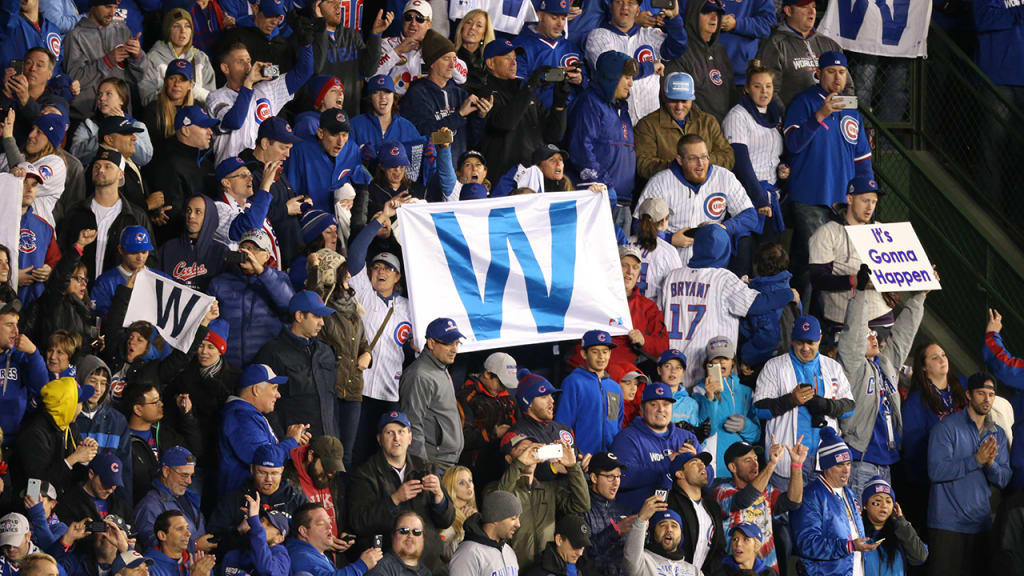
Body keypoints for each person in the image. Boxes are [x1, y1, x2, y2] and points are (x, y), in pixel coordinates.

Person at [783, 51, 872, 304]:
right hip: (810, 198)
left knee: (811, 263)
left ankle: (809, 322)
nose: (837, 77)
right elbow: (793, 144)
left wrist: (866, 197)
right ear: (819, 74)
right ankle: (806, 325)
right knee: (817, 265)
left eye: (841, 72)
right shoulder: (804, 102)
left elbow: (862, 158)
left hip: (841, 201)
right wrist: (818, 116)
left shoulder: (851, 108)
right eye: (831, 72)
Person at [660, 225, 791, 389]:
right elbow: (759, 304)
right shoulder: (724, 279)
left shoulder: (673, 276)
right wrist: (789, 294)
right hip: (710, 369)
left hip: (673, 367)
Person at [838, 282, 927, 499]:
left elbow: (902, 338)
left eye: (875, 335)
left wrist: (919, 297)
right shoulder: (853, 368)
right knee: (859, 527)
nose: (874, 338)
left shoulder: (885, 365)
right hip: (861, 460)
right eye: (868, 336)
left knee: (877, 528)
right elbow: (853, 334)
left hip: (887, 462)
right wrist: (861, 293)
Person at [347, 411, 455, 575]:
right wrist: (394, 499)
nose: (396, 438)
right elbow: (359, 522)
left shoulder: (426, 467)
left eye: (401, 432)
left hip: (429, 563)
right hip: (391, 567)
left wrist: (439, 496)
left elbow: (446, 521)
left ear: (410, 437)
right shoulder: (365, 474)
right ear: (379, 439)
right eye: (389, 432)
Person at [345, 200, 411, 468]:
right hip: (359, 389)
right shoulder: (364, 294)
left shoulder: (408, 307)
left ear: (398, 277)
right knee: (354, 454)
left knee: (383, 458)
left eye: (389, 268)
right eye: (377, 267)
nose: (381, 271)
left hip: (389, 392)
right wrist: (382, 217)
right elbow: (356, 254)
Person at [753, 314, 854, 488]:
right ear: (792, 340)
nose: (805, 348)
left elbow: (850, 408)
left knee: (822, 513)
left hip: (824, 460)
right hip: (786, 458)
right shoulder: (774, 366)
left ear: (820, 339)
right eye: (800, 342)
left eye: (811, 342)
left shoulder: (832, 367)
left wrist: (827, 405)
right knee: (786, 512)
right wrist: (790, 400)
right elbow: (758, 409)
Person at [926, 373, 1010, 576]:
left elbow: (1004, 479)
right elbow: (936, 471)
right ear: (968, 395)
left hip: (981, 525)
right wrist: (976, 460)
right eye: (981, 393)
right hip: (948, 526)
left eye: (991, 394)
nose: (987, 399)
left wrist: (991, 465)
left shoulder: (997, 433)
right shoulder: (946, 428)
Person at [634, 134, 756, 268]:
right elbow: (638, 225)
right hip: (671, 263)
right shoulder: (660, 182)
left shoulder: (724, 177)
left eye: (704, 156)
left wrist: (724, 228)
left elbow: (750, 216)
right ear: (680, 160)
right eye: (693, 158)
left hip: (711, 266)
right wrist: (668, 238)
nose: (701, 163)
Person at [809, 177, 892, 342]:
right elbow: (818, 279)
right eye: (865, 201)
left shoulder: (881, 229)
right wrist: (854, 280)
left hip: (881, 317)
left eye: (874, 202)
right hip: (843, 320)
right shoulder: (827, 233)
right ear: (849, 199)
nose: (870, 207)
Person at [207, 38, 313, 163]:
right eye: (240, 62)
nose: (248, 67)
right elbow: (234, 122)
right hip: (232, 175)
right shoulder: (216, 97)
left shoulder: (266, 89)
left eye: (249, 61)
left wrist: (306, 44)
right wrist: (248, 83)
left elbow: (304, 72)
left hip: (262, 171)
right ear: (225, 68)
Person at [476, 38, 568, 180]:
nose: (514, 63)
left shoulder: (524, 90)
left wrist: (559, 105)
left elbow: (554, 135)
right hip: (503, 178)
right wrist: (530, 87)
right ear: (491, 63)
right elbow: (504, 124)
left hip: (533, 175)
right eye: (507, 58)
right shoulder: (484, 92)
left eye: (515, 58)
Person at [792, 427, 879, 576]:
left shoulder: (849, 494)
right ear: (826, 466)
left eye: (848, 464)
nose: (846, 470)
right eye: (839, 465)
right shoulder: (811, 496)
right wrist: (848, 546)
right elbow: (806, 544)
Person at [584, 0, 685, 124]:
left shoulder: (650, 34)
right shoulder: (598, 36)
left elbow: (677, 48)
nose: (625, 7)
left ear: (638, 10)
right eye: (619, 2)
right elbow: (612, 69)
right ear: (610, 7)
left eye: (631, 3)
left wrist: (674, 19)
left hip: (651, 123)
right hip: (613, 123)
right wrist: (650, 67)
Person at [400, 29, 490, 168]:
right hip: (429, 173)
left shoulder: (460, 94)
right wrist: (459, 114)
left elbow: (473, 140)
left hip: (458, 174)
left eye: (454, 59)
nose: (452, 65)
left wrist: (480, 116)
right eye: (446, 58)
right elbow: (427, 135)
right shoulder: (417, 93)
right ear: (432, 62)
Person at [712, 440, 806, 573]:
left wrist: (796, 465)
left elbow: (794, 502)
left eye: (756, 458)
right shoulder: (722, 491)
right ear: (733, 467)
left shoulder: (766, 490)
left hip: (768, 569)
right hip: (736, 570)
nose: (755, 464)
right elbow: (745, 500)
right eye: (747, 460)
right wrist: (772, 464)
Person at [256, 290, 339, 439]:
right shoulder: (272, 352)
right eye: (317, 316)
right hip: (293, 449)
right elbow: (263, 404)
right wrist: (285, 438)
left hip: (328, 444)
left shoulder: (326, 351)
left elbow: (332, 401)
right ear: (299, 316)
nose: (322, 322)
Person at [498, 436, 589, 570]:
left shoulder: (549, 489)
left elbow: (582, 504)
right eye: (523, 450)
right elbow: (500, 501)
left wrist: (573, 467)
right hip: (513, 569)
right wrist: (520, 463)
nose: (530, 453)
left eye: (533, 449)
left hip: (546, 570)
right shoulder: (498, 488)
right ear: (509, 459)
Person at [220, 363, 312, 496]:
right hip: (241, 502)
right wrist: (291, 441)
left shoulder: (249, 414)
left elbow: (268, 452)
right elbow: (265, 460)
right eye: (274, 388)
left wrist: (292, 443)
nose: (278, 395)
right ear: (256, 390)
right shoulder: (240, 417)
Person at [610, 381, 703, 512]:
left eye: (666, 404)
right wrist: (667, 463)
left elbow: (709, 477)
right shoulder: (627, 438)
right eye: (653, 404)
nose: (661, 409)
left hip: (680, 517)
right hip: (639, 517)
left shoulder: (687, 438)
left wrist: (696, 464)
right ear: (642, 409)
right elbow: (622, 477)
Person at [209, 229, 296, 367]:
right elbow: (209, 322)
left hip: (267, 364)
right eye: (243, 247)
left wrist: (261, 272)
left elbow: (291, 307)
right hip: (228, 365)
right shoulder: (220, 282)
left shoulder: (279, 279)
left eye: (254, 249)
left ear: (267, 256)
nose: (247, 252)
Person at [898, 343, 963, 529]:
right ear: (924, 367)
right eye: (935, 357)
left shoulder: (962, 389)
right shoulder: (916, 402)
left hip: (961, 482)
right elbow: (913, 448)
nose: (942, 359)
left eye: (943, 354)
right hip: (928, 486)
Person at [721, 61, 785, 245]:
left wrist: (784, 168)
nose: (764, 91)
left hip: (772, 196)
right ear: (747, 89)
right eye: (757, 86)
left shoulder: (775, 115)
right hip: (747, 197)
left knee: (769, 258)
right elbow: (741, 163)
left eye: (768, 86)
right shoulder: (737, 116)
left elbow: (775, 154)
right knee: (745, 255)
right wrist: (759, 198)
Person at [568, 51, 637, 214]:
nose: (631, 83)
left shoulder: (621, 108)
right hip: (600, 201)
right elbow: (581, 150)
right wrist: (605, 187)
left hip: (623, 201)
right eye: (627, 77)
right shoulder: (589, 103)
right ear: (612, 77)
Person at [208, 444, 309, 552]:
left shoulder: (296, 499)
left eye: (274, 473)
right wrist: (238, 531)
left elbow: (311, 535)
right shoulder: (234, 499)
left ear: (282, 470)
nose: (268, 479)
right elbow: (212, 541)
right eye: (262, 472)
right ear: (252, 469)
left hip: (288, 560)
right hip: (243, 561)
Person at [635, 72, 733, 181]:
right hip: (666, 189)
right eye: (673, 100)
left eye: (684, 101)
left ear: (693, 96)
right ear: (664, 96)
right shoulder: (647, 125)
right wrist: (680, 167)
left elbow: (727, 156)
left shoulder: (708, 122)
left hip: (707, 188)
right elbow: (643, 164)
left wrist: (699, 163)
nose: (679, 107)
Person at [63, 0, 146, 120]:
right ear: (93, 5)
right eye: (107, 7)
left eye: (115, 7)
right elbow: (76, 79)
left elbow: (137, 77)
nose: (112, 12)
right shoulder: (75, 36)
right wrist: (107, 61)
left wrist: (137, 57)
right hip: (87, 118)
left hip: (121, 115)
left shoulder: (123, 31)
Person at [399, 317, 465, 468]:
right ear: (431, 343)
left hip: (445, 462)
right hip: (432, 464)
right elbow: (412, 424)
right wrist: (421, 469)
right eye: (448, 343)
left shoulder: (440, 368)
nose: (454, 349)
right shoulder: (420, 375)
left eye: (456, 343)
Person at [755, 0, 847, 106]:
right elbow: (768, 90)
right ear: (788, 11)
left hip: (830, 119)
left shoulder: (829, 44)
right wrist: (791, 118)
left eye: (814, 7)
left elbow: (848, 86)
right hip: (793, 119)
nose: (812, 11)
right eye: (804, 7)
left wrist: (841, 115)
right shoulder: (775, 44)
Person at [13, 377, 97, 493]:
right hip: (31, 505)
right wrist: (73, 459)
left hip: (62, 501)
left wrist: (85, 457)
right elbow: (38, 484)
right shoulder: (33, 433)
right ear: (67, 406)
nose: (82, 407)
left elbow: (76, 478)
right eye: (80, 402)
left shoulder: (69, 426)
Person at [123, 383, 203, 503]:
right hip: (144, 505)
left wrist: (187, 416)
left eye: (159, 400)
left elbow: (194, 452)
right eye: (155, 402)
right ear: (138, 409)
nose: (161, 404)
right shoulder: (123, 441)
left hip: (171, 503)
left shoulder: (163, 433)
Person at [693, 336, 761, 470]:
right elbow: (707, 431)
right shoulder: (699, 390)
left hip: (741, 467)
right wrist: (710, 398)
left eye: (726, 358)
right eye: (716, 358)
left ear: (733, 362)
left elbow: (756, 435)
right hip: (713, 464)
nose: (721, 362)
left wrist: (745, 426)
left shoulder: (747, 392)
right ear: (708, 364)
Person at [312, 0, 387, 119]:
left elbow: (368, 70)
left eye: (338, 2)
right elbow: (316, 68)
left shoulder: (351, 35)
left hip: (351, 116)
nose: (338, 7)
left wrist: (375, 36)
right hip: (320, 119)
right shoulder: (307, 38)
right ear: (316, 6)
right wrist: (320, 26)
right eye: (331, 2)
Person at [555, 329, 624, 455]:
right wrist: (575, 455)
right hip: (581, 460)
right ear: (584, 354)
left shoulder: (615, 387)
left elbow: (617, 426)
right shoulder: (573, 382)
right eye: (595, 351)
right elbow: (563, 425)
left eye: (605, 351)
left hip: (608, 462)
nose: (601, 357)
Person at [133, 446, 213, 553]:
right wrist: (194, 546)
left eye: (191, 476)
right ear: (166, 471)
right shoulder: (150, 505)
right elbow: (154, 548)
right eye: (184, 475)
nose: (189, 481)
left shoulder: (188, 499)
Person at [511, 0, 584, 111]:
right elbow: (516, 85)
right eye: (554, 18)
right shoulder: (520, 46)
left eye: (563, 18)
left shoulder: (571, 47)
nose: (560, 24)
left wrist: (580, 80)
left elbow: (588, 83)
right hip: (537, 116)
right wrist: (552, 75)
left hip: (572, 114)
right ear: (540, 16)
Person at [455, 352, 517, 484]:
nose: (504, 388)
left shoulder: (508, 398)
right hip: (476, 470)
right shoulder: (466, 397)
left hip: (504, 467)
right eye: (501, 383)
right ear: (488, 374)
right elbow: (462, 438)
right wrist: (495, 433)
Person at [670, 0, 733, 122]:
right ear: (693, 15)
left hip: (724, 128)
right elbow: (679, 101)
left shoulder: (720, 51)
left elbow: (733, 94)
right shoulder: (681, 51)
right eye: (707, 12)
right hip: (697, 130)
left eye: (717, 13)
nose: (714, 17)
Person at [139, 8, 216, 106]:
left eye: (187, 26)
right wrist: (175, 93)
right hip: (163, 117)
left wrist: (192, 89)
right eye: (176, 26)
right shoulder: (153, 57)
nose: (183, 31)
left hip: (195, 119)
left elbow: (212, 100)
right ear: (167, 30)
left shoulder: (201, 58)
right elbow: (146, 99)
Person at [666, 451, 725, 574]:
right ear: (680, 474)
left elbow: (718, 550)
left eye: (703, 463)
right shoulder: (667, 504)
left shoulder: (712, 507)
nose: (702, 466)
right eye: (695, 463)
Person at [287, 502, 382, 576]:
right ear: (303, 531)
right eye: (321, 523)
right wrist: (362, 565)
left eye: (329, 521)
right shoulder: (300, 557)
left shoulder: (313, 552)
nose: (330, 527)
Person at [859, 477, 928, 576]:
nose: (884, 505)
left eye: (888, 501)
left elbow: (920, 557)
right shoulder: (858, 534)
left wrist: (902, 522)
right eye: (878, 501)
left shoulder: (901, 533)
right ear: (865, 505)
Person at [283, 435, 348, 539]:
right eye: (326, 466)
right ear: (310, 456)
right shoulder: (288, 481)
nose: (331, 473)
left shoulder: (333, 479)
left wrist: (344, 534)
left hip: (336, 553)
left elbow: (342, 516)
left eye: (334, 468)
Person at [0, 303, 47, 445]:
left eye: (17, 324)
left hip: (14, 442)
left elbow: (42, 387)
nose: (16, 331)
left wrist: (34, 353)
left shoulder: (20, 357)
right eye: (9, 324)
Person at [90, 225, 162, 317]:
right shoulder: (105, 282)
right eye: (134, 252)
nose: (140, 257)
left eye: (144, 252)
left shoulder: (161, 279)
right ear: (121, 249)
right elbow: (103, 320)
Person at [448, 491, 521, 576]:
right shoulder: (467, 554)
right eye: (513, 518)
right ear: (496, 519)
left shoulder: (508, 551)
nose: (518, 524)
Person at [580, 452, 630, 576]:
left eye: (618, 476)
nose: (616, 482)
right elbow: (584, 552)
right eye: (610, 477)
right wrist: (616, 530)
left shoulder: (621, 509)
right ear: (594, 478)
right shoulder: (581, 507)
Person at [623, 500, 701, 576]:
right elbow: (631, 555)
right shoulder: (642, 561)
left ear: (681, 535)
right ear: (653, 532)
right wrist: (642, 519)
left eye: (674, 526)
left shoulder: (694, 571)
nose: (669, 529)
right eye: (663, 525)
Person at [220, 493, 290, 576]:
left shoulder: (281, 555)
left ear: (279, 539)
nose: (261, 525)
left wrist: (255, 524)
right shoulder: (234, 554)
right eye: (261, 521)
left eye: (268, 525)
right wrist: (238, 531)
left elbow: (267, 571)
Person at [627, 198, 682, 304]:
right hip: (651, 314)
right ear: (663, 220)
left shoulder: (625, 243)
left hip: (625, 310)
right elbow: (675, 290)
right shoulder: (668, 251)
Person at [53, 452, 132, 524]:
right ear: (91, 474)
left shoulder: (120, 506)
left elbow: (132, 532)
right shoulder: (68, 504)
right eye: (106, 484)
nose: (110, 490)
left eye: (114, 484)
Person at [143, 510, 216, 576]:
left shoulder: (199, 564)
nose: (188, 533)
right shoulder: (146, 567)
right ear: (162, 535)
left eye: (187, 528)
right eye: (180, 529)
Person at [523, 515, 593, 576]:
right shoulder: (538, 572)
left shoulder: (580, 566)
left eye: (582, 547)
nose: (580, 553)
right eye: (576, 546)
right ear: (559, 540)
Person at [366, 512, 430, 576]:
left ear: (423, 538)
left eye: (417, 532)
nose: (410, 535)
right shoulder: (380, 568)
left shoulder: (426, 571)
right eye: (404, 530)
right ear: (393, 535)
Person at [439, 466, 476, 563]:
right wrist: (468, 528)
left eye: (470, 481)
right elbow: (447, 554)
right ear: (451, 487)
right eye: (462, 483)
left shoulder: (473, 512)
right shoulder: (446, 517)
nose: (469, 486)